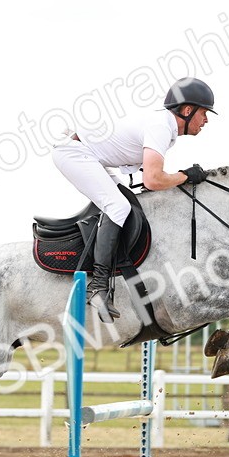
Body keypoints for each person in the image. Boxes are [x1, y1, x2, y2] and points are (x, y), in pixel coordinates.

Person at [52, 77, 215, 323]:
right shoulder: (161, 127)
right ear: (188, 110)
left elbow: (149, 178)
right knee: (118, 206)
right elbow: (152, 180)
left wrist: (180, 178)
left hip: (89, 154)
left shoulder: (165, 128)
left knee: (128, 203)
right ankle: (98, 287)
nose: (206, 121)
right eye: (204, 113)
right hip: (74, 152)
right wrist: (185, 176)